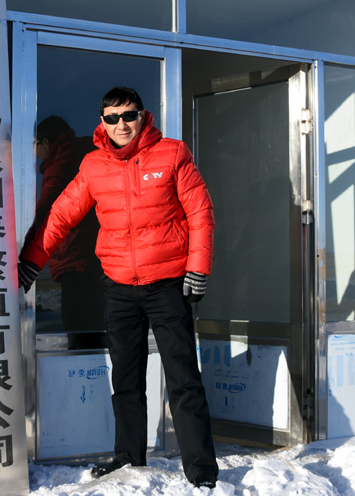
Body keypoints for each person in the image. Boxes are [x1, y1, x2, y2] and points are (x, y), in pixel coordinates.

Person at [18, 87, 218, 488]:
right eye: (112, 118)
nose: (121, 124)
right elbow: (61, 215)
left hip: (167, 285)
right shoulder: (94, 165)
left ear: (142, 116)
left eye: (128, 115)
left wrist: (198, 269)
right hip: (119, 286)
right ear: (103, 122)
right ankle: (128, 457)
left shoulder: (172, 153)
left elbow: (200, 211)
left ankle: (201, 469)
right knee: (125, 379)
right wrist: (32, 262)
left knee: (183, 377)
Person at [22, 116, 105, 348]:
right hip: (100, 259)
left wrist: (25, 255)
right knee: (98, 331)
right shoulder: (89, 155)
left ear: (46, 142)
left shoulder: (61, 166)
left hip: (76, 261)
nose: (34, 153)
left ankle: (85, 370)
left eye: (35, 145)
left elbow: (46, 213)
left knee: (80, 335)